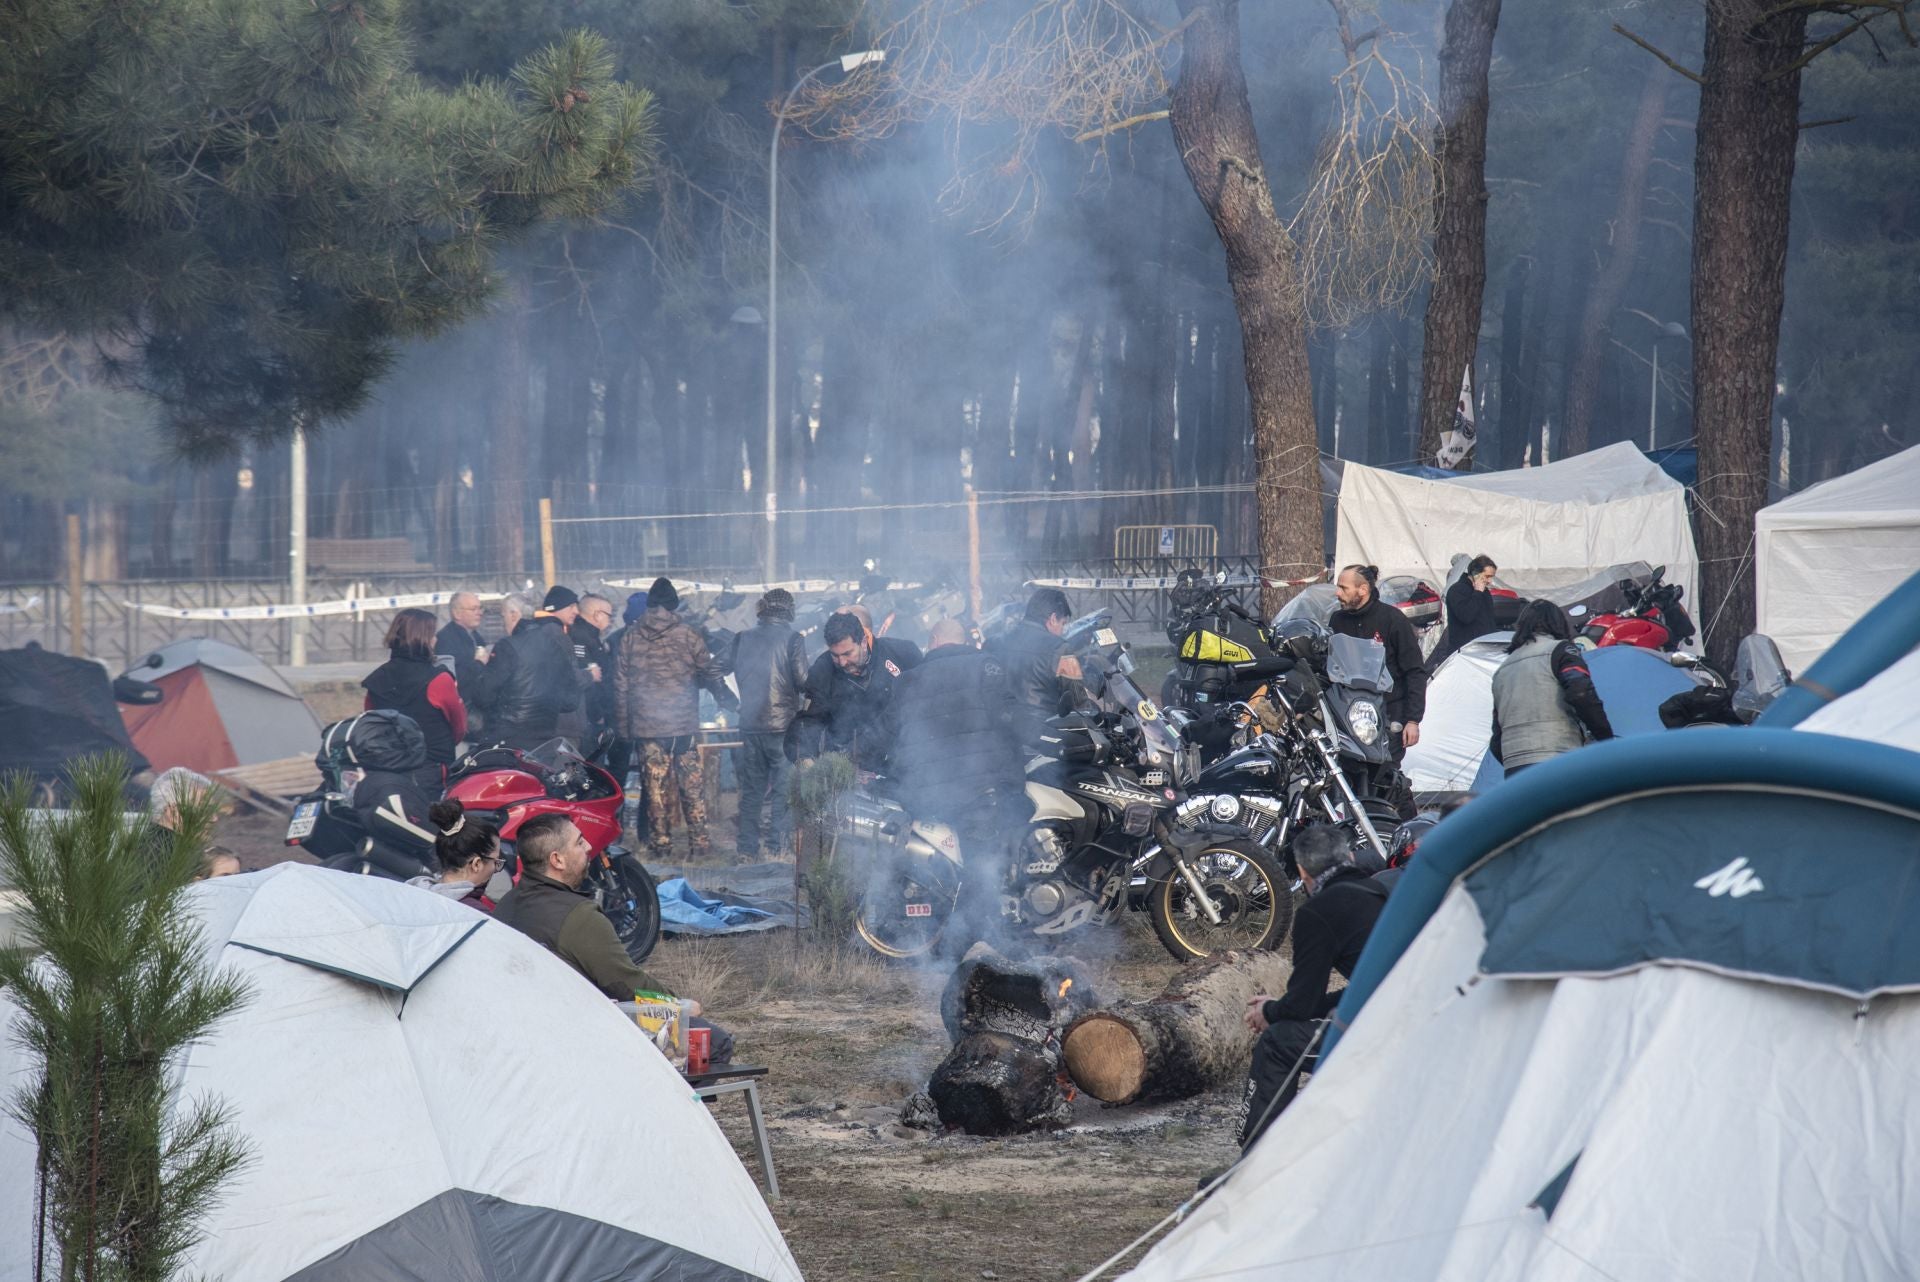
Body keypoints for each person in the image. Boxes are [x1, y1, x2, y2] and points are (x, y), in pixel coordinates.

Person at [495, 813, 733, 1063]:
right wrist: (678, 1007)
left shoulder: (504, 906)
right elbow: (626, 983)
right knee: (714, 1042)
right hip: (575, 1035)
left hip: (522, 1030)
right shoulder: (578, 915)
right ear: (557, 860)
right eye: (579, 842)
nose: (588, 847)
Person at [1239, 825, 1390, 1147]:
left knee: (1278, 1042)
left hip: (1389, 1032)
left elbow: (1302, 1005)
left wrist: (1270, 1011)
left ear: (1302, 871)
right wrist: (1279, 1007)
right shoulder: (1379, 892)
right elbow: (1366, 990)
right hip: (1419, 1013)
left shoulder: (1318, 912)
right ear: (1349, 856)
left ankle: (1254, 1163)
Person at [884, 618, 1029, 948]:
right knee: (983, 868)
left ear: (933, 641)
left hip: (928, 793)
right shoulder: (987, 665)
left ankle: (955, 938)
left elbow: (889, 730)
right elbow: (1013, 719)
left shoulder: (910, 679)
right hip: (981, 791)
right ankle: (976, 946)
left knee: (956, 867)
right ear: (963, 640)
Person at [613, 577, 737, 858]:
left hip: (647, 727)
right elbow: (709, 673)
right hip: (682, 726)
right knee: (692, 785)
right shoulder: (688, 635)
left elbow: (620, 686)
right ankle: (700, 844)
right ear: (673, 605)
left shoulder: (630, 637)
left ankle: (661, 844)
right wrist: (726, 699)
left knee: (654, 789)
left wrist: (624, 727)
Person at [728, 588, 810, 860]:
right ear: (789, 611)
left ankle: (746, 849)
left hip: (750, 725)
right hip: (784, 727)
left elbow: (712, 669)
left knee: (752, 792)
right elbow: (802, 680)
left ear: (762, 609)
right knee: (783, 791)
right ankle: (776, 848)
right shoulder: (793, 639)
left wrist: (728, 700)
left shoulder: (742, 638)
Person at [1490, 599, 1615, 775]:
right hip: (1558, 756)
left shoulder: (1502, 671)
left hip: (1515, 768)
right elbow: (1581, 693)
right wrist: (1606, 738)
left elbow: (1496, 737)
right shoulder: (1562, 650)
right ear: (1558, 623)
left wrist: (1513, 760)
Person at [787, 610, 913, 770]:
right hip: (848, 764)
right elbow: (808, 720)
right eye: (835, 655)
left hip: (901, 762)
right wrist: (803, 756)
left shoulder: (901, 654)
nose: (842, 662)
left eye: (848, 653)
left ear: (862, 641)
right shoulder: (823, 669)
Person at [1329, 564, 1428, 758]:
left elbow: (1414, 671)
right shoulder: (1337, 620)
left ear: (1363, 590)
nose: (1337, 593)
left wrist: (1413, 720)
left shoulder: (1393, 619)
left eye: (1343, 588)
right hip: (1350, 713)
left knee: (1386, 775)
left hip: (1389, 713)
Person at [470, 587, 585, 750]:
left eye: (503, 616)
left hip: (508, 740)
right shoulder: (555, 644)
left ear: (513, 614)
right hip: (545, 738)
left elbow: (483, 696)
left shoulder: (507, 647)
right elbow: (570, 700)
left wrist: (479, 665)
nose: (504, 622)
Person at [363, 607, 468, 765]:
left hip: (390, 767)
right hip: (433, 767)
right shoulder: (439, 679)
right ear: (423, 638)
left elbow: (372, 722)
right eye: (432, 635)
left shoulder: (376, 679)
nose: (435, 640)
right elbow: (459, 727)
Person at [995, 587, 1084, 726]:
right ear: (1053, 618)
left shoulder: (995, 642)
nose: (1062, 631)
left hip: (1002, 731)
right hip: (1044, 735)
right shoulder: (1062, 649)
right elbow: (1078, 701)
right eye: (1063, 624)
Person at [405, 798, 500, 911]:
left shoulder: (410, 891)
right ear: (477, 864)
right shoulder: (475, 915)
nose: (495, 869)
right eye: (496, 862)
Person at [1431, 555, 1500, 669]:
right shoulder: (1456, 591)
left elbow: (1489, 620)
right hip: (1464, 652)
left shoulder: (1485, 592)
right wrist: (1477, 593)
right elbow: (1466, 616)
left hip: (1484, 650)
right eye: (1487, 576)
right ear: (1475, 573)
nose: (1490, 581)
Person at [436, 590, 488, 692]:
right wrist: (479, 664)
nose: (480, 613)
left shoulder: (477, 637)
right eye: (473, 609)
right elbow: (451, 680)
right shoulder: (445, 640)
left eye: (480, 608)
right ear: (457, 614)